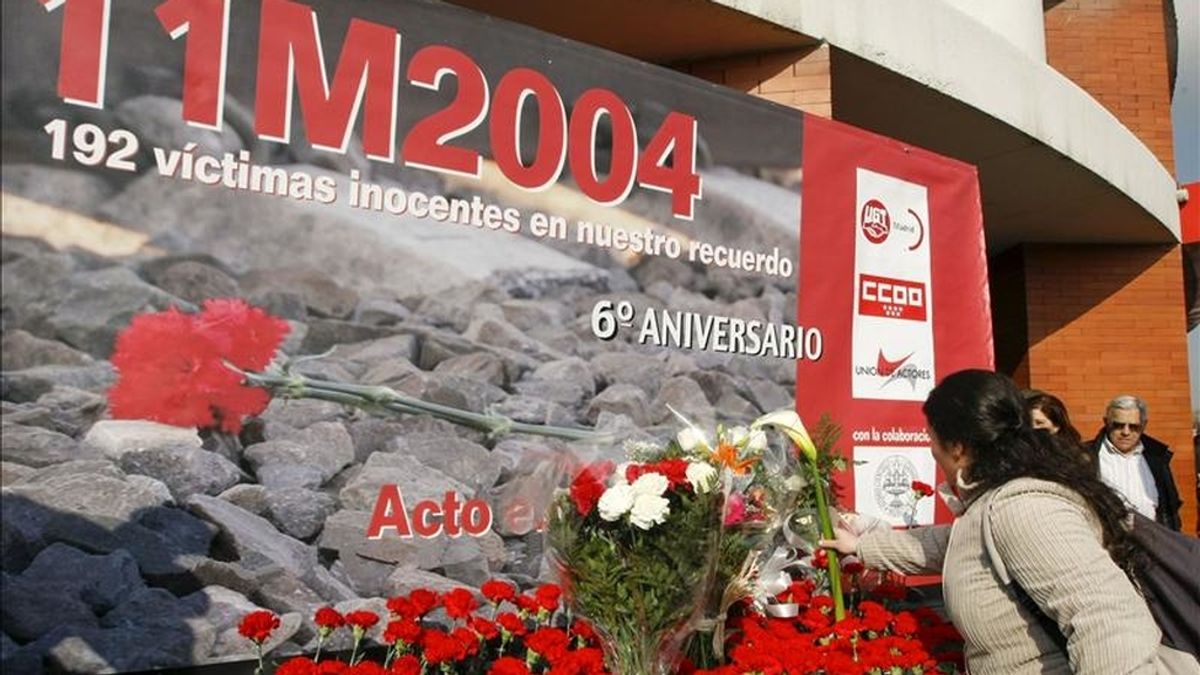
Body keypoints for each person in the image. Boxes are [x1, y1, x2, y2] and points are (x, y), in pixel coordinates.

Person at [822, 369, 1198, 674]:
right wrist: (862, 546)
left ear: (958, 446)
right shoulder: (992, 502)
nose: (931, 449)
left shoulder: (1023, 508)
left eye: (932, 438)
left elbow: (1106, 621)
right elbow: (955, 544)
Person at [1089, 395, 1183, 531]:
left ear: (1144, 425)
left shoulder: (1157, 458)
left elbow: (1170, 509)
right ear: (1106, 422)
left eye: (1133, 426)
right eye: (1118, 425)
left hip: (1153, 544)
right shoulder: (1085, 457)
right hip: (1106, 545)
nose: (1125, 432)